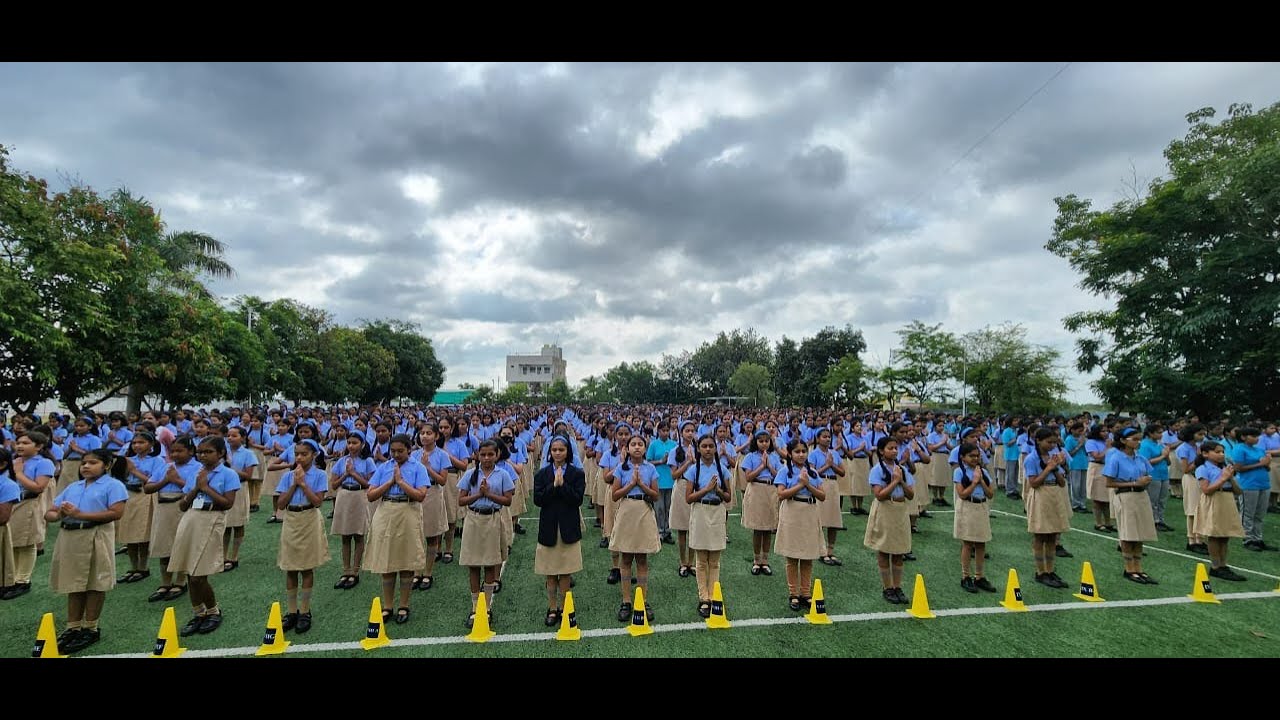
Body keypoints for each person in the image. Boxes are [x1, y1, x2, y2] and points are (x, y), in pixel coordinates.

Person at [43, 448, 128, 653]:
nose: (86, 466)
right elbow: (50, 513)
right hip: (70, 536)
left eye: (93, 463)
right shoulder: (74, 486)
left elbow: (116, 513)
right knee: (74, 582)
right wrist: (58, 515)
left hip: (95, 534)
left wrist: (81, 514)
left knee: (94, 583)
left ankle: (90, 627)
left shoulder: (113, 485)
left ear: (106, 466)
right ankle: (73, 626)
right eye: (84, 463)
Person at [170, 436, 240, 636]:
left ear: (220, 453)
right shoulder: (196, 473)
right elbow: (183, 505)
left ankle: (213, 610)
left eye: (208, 452)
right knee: (190, 572)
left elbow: (227, 503)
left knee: (199, 574)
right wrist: (196, 488)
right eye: (200, 452)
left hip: (212, 518)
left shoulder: (228, 474)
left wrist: (206, 488)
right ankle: (198, 613)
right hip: (191, 518)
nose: (203, 455)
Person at [364, 433, 430, 624]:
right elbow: (371, 495)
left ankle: (404, 604)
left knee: (406, 561)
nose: (396, 454)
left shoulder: (418, 468)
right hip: (386, 511)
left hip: (408, 510)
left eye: (400, 451)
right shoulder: (384, 467)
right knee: (387, 560)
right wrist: (390, 482)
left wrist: (401, 482)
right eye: (393, 451)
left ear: (409, 449)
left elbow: (420, 495)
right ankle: (388, 605)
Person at [274, 439, 331, 634]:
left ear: (313, 455)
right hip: (291, 518)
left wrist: (303, 484)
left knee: (307, 567)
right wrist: (293, 484)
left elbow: (317, 502)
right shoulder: (288, 475)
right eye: (296, 454)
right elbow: (280, 504)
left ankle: (305, 610)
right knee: (290, 567)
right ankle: (291, 611)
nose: (299, 457)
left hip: (309, 518)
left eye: (304, 454)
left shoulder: (320, 475)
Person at [459, 439, 514, 629]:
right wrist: (479, 495)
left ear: (497, 455)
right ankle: (475, 607)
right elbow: (461, 499)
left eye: (491, 454)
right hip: (474, 519)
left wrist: (489, 495)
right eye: (483, 454)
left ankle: (487, 607)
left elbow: (507, 500)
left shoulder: (503, 474)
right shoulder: (470, 474)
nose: (487, 458)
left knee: (490, 563)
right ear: (477, 455)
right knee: (473, 565)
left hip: (492, 519)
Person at [533, 435, 586, 626]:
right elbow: (538, 500)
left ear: (568, 452)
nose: (557, 453)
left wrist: (563, 485)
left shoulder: (577, 473)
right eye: (554, 450)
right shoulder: (542, 474)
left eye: (561, 450)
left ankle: (564, 607)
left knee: (565, 571)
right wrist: (553, 486)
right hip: (548, 526)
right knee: (550, 571)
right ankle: (552, 607)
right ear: (550, 452)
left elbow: (577, 499)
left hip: (568, 526)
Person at [611, 434, 662, 621]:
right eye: (633, 444)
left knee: (642, 559)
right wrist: (631, 484)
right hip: (626, 511)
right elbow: (615, 495)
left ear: (644, 448)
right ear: (628, 448)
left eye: (640, 444)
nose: (637, 447)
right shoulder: (621, 468)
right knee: (625, 559)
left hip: (643, 511)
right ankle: (626, 600)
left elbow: (655, 495)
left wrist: (641, 484)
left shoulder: (650, 468)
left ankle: (642, 598)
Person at [1, 431, 56, 600]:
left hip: (30, 503)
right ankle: (11, 578)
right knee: (13, 540)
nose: (20, 446)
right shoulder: (16, 460)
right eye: (18, 443)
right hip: (13, 503)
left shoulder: (44, 463)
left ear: (38, 446)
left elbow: (38, 487)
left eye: (25, 443)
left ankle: (23, 580)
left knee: (27, 540)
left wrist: (18, 473)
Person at [143, 435, 198, 602]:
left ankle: (180, 582)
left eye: (180, 451)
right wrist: (166, 480)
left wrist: (176, 480)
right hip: (163, 507)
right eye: (172, 451)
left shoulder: (198, 467)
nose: (175, 455)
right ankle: (165, 582)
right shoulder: (166, 467)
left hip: (183, 506)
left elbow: (198, 489)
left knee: (181, 545)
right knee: (164, 546)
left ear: (191, 451)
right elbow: (148, 488)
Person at [774, 438, 826, 612]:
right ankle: (793, 593)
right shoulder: (784, 472)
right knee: (792, 556)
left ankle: (806, 592)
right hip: (792, 511)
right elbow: (781, 494)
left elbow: (822, 495)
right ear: (790, 454)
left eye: (804, 451)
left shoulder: (812, 473)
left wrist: (808, 485)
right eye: (797, 451)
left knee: (807, 555)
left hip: (809, 512)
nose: (801, 454)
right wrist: (799, 485)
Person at [1103, 426, 1159, 584]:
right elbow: (1109, 482)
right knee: (1129, 533)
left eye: (1139, 439)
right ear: (1122, 441)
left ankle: (1139, 567)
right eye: (1134, 439)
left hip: (1141, 495)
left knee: (1140, 533)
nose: (1138, 442)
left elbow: (1148, 473)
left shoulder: (1140, 458)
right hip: (1126, 496)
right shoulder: (1116, 458)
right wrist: (1135, 482)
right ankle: (1129, 568)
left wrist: (1145, 481)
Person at [684, 434, 730, 619]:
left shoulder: (723, 469)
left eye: (711, 446)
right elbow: (688, 498)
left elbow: (728, 497)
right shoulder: (693, 470)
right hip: (700, 510)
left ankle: (714, 594)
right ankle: (704, 598)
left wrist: (717, 490)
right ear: (699, 448)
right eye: (704, 446)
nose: (708, 449)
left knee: (715, 560)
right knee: (701, 560)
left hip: (716, 510)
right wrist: (706, 489)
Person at [865, 436, 914, 605]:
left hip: (900, 510)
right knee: (884, 549)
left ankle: (897, 586)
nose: (894, 451)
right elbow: (879, 494)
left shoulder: (902, 469)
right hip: (885, 509)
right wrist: (895, 482)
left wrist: (901, 481)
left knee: (899, 550)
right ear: (881, 451)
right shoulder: (877, 470)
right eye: (890, 448)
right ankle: (887, 587)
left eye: (896, 448)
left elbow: (910, 494)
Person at [1193, 441, 1247, 581]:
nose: (1221, 454)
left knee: (1225, 535)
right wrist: (1223, 479)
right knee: (1215, 534)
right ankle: (1216, 566)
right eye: (1217, 452)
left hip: (1227, 499)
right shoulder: (1203, 468)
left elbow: (1238, 491)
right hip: (1214, 500)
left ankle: (1223, 564)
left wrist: (1231, 478)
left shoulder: (1225, 468)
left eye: (1222, 452)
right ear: (1205, 454)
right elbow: (1206, 490)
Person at [1024, 428, 1070, 588]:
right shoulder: (1031, 459)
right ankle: (1040, 571)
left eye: (1054, 442)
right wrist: (1048, 468)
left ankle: (1050, 570)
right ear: (1038, 441)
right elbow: (1034, 483)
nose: (1052, 445)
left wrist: (1056, 467)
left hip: (1054, 493)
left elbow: (1063, 482)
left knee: (1052, 535)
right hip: (1041, 494)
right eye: (1048, 442)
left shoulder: (1053, 457)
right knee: (1040, 536)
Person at [117, 432, 164, 583]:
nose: (137, 445)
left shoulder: (157, 461)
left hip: (145, 495)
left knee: (142, 532)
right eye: (134, 443)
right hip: (129, 495)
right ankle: (133, 566)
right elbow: (119, 478)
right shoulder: (127, 459)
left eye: (141, 442)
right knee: (129, 532)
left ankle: (143, 567)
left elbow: (155, 481)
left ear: (151, 445)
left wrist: (134, 471)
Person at [411, 423, 452, 592]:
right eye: (422, 433)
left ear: (436, 436)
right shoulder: (413, 454)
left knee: (432, 535)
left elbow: (443, 480)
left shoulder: (442, 455)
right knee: (416, 534)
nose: (424, 436)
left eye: (429, 433)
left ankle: (427, 572)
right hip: (416, 493)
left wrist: (427, 468)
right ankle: (416, 571)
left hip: (433, 492)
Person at [952, 442, 996, 593]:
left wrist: (981, 480)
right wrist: (974, 482)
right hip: (968, 507)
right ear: (963, 457)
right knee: (968, 542)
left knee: (981, 543)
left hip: (981, 507)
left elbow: (990, 493)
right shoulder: (959, 472)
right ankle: (966, 576)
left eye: (977, 455)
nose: (975, 458)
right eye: (971, 456)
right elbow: (962, 494)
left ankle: (979, 576)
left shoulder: (983, 471)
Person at [740, 430, 782, 576]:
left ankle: (765, 560)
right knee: (758, 528)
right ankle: (756, 560)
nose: (764, 443)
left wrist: (769, 466)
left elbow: (779, 476)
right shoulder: (750, 456)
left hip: (770, 490)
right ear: (755, 442)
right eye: (761, 441)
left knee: (768, 527)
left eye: (767, 441)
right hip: (756, 489)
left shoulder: (775, 457)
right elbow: (748, 477)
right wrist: (761, 467)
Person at [1231, 427, 1275, 552]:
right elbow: (1238, 468)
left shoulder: (1260, 449)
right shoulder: (1239, 448)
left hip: (1263, 483)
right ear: (1243, 437)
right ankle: (1247, 538)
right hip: (1248, 484)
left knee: (1259, 514)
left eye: (1257, 436)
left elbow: (1267, 468)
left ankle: (1257, 538)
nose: (1256, 439)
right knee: (1248, 513)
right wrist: (1260, 464)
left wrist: (1266, 463)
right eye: (1253, 436)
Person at [222, 426, 259, 571]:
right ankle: (223, 556)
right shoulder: (223, 452)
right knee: (225, 525)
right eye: (229, 435)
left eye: (234, 435)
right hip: (224, 489)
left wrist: (230, 468)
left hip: (239, 488)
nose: (230, 438)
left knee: (238, 524)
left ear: (243, 438)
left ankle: (234, 556)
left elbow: (248, 476)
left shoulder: (248, 454)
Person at [666, 421, 698, 578]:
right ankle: (683, 562)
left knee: (694, 527)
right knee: (682, 529)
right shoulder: (675, 451)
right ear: (681, 432)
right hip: (681, 486)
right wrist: (688, 462)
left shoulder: (700, 448)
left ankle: (692, 563)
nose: (690, 433)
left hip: (696, 487)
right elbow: (674, 475)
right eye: (687, 430)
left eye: (692, 430)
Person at [1177, 424, 1208, 554]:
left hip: (1199, 478)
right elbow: (1185, 469)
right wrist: (1199, 459)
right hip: (1191, 478)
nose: (1202, 436)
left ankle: (1199, 538)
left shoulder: (1196, 447)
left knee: (1201, 509)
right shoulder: (1183, 448)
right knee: (1192, 510)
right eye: (1199, 434)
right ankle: (1192, 539)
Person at [645, 420, 677, 544]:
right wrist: (660, 461)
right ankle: (659, 531)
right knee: (659, 508)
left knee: (669, 507)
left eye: (667, 430)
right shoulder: (653, 444)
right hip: (658, 480)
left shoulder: (674, 444)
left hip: (670, 479)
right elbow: (648, 461)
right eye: (663, 430)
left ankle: (667, 531)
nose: (665, 433)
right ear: (658, 431)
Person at [1138, 423, 1174, 531]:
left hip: (1163, 474)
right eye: (1158, 432)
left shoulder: (1160, 444)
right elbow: (1146, 462)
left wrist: (1166, 456)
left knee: (1162, 500)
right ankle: (1153, 521)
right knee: (1153, 500)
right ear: (1150, 433)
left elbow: (1168, 462)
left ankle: (1160, 520)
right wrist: (1162, 456)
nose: (1161, 435)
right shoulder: (1145, 445)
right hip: (1153, 475)